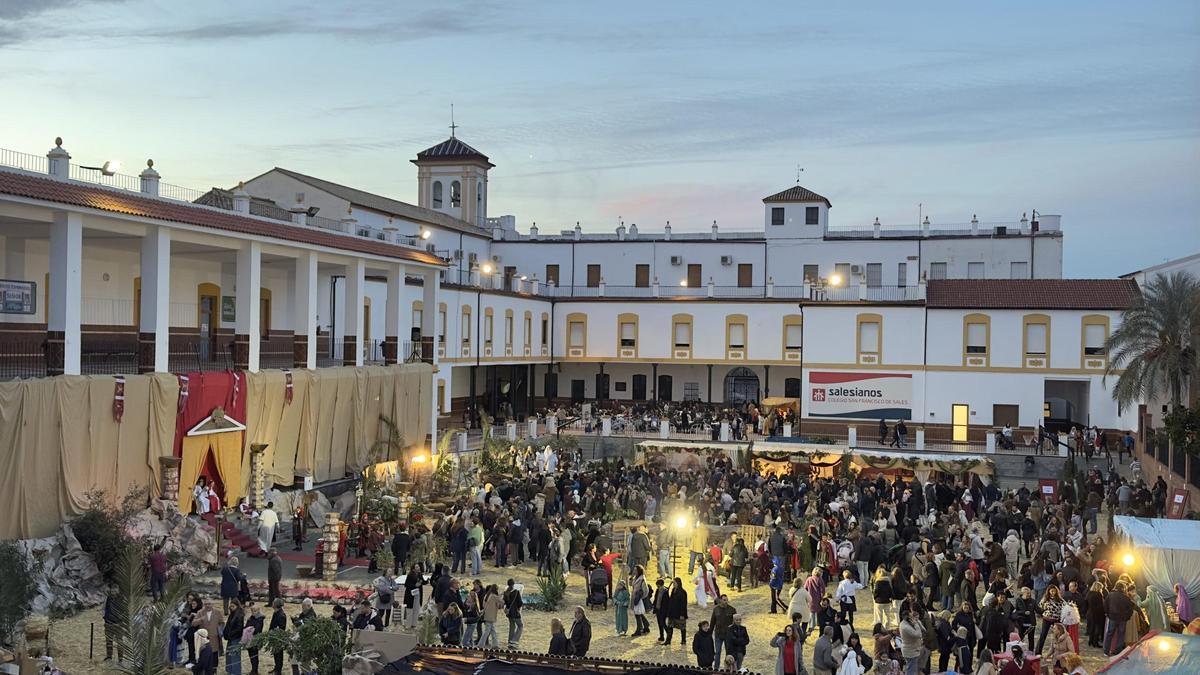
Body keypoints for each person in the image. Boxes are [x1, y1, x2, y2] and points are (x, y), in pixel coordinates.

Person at [710, 594, 736, 665]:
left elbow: (735, 623)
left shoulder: (732, 610)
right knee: (718, 652)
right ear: (720, 600)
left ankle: (728, 667)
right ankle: (716, 668)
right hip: (718, 634)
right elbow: (712, 622)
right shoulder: (716, 609)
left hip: (728, 635)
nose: (726, 602)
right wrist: (709, 633)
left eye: (727, 600)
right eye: (724, 600)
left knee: (728, 653)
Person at [222, 598, 245, 675]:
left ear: (237, 606)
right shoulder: (232, 614)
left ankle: (235, 672)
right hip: (231, 637)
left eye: (233, 606)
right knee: (229, 654)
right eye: (230, 606)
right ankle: (230, 670)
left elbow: (239, 628)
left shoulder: (239, 615)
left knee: (235, 656)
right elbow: (228, 625)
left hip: (235, 638)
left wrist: (230, 634)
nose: (231, 608)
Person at [899, 610, 925, 675]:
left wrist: (916, 621)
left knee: (910, 668)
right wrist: (916, 624)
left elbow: (924, 630)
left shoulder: (906, 623)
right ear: (906, 617)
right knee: (911, 670)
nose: (912, 618)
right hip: (910, 651)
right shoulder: (905, 627)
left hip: (911, 649)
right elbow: (918, 634)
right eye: (911, 616)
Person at [478, 584, 504, 648]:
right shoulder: (494, 596)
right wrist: (502, 595)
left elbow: (484, 605)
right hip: (491, 616)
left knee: (492, 631)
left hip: (487, 615)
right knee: (487, 631)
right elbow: (502, 601)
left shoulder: (487, 595)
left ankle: (495, 644)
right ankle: (481, 644)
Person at [665, 577, 689, 645]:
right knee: (670, 626)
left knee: (682, 627)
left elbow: (683, 604)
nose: (674, 584)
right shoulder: (673, 590)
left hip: (679, 613)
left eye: (675, 583)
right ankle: (668, 640)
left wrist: (682, 614)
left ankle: (683, 640)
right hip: (672, 612)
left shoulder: (682, 592)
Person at [103, 589, 123, 662]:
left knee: (111, 641)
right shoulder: (122, 599)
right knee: (114, 641)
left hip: (112, 623)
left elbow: (103, 609)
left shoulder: (108, 598)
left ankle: (112, 657)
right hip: (115, 623)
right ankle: (117, 658)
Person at [245, 603, 264, 675]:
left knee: (254, 655)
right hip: (249, 639)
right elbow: (246, 626)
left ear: (258, 610)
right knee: (251, 655)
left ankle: (255, 670)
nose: (253, 612)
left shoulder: (260, 619)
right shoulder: (251, 618)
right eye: (252, 611)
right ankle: (253, 669)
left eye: (255, 611)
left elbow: (257, 629)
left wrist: (250, 628)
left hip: (255, 639)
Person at [504, 579, 524, 648]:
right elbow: (520, 603)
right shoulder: (516, 592)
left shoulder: (506, 592)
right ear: (513, 584)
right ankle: (514, 640)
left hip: (509, 613)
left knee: (512, 627)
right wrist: (518, 608)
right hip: (515, 612)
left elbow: (506, 603)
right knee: (520, 625)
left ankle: (510, 642)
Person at [631, 565, 651, 637]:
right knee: (639, 613)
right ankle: (646, 625)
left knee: (637, 614)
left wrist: (641, 597)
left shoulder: (642, 579)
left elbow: (645, 590)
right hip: (635, 597)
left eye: (636, 570)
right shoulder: (635, 578)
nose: (634, 571)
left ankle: (639, 630)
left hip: (639, 599)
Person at [268, 599, 286, 675]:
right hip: (273, 636)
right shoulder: (276, 612)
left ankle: (278, 671)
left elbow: (280, 628)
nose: (272, 604)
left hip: (278, 638)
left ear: (276, 605)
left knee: (279, 655)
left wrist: (273, 633)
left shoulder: (281, 615)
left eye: (273, 603)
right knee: (275, 654)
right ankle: (276, 668)